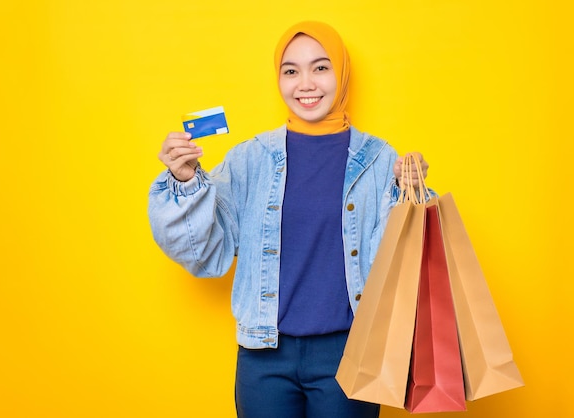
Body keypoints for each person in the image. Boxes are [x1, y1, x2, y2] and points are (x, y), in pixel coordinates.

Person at [148, 21, 431, 418]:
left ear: (341, 73)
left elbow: (398, 265)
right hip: (264, 358)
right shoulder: (249, 159)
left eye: (321, 67)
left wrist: (410, 195)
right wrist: (185, 182)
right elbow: (204, 255)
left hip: (349, 353)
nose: (306, 84)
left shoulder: (380, 159)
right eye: (291, 71)